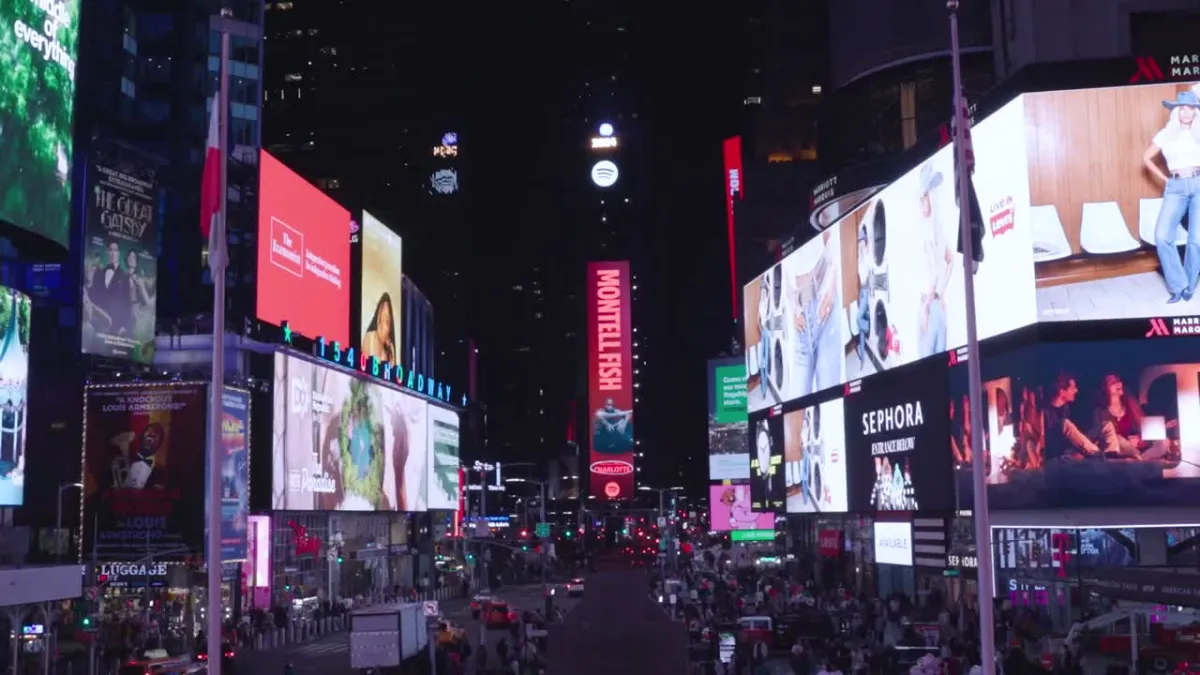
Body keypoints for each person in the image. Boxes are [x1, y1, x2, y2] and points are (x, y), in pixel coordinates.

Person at [1144, 89, 1200, 303]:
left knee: (1197, 240)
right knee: (1161, 236)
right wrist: (1166, 179)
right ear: (1176, 111)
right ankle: (1178, 285)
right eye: (1182, 108)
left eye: (1191, 108)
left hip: (1198, 184)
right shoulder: (1166, 134)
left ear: (1196, 113)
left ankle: (1188, 285)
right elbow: (1146, 158)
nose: (1186, 112)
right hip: (1175, 187)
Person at [916, 162, 953, 358]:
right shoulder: (937, 227)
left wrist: (926, 306)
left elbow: (933, 270)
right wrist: (941, 292)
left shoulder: (929, 229)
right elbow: (949, 260)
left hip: (930, 305)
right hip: (938, 305)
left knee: (927, 368)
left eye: (924, 197)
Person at [1042, 373, 1102, 461]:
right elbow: (1051, 442)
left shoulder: (1065, 408)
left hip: (1070, 447)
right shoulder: (1046, 412)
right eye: (1073, 388)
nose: (1076, 390)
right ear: (1062, 391)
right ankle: (1097, 453)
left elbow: (1073, 435)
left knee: (1105, 426)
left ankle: (1110, 454)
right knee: (1064, 423)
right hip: (1057, 451)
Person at [1090, 374, 1145, 457]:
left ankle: (1139, 457)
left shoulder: (1131, 407)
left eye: (1118, 380)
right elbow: (1098, 438)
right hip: (1116, 448)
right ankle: (1134, 456)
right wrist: (1127, 442)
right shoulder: (1099, 412)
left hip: (1136, 448)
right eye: (1112, 382)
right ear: (1105, 389)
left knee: (1163, 442)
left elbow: (1142, 431)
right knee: (1118, 439)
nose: (1118, 383)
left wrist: (1139, 439)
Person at [362, 292, 397, 364]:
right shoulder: (369, 337)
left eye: (387, 321)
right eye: (381, 321)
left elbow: (393, 372)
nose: (383, 326)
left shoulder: (390, 347)